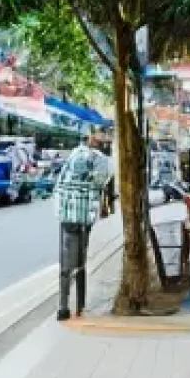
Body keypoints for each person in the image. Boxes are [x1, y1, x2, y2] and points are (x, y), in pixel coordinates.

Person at [54, 130, 110, 321]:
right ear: (94, 137)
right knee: (82, 264)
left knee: (66, 265)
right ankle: (80, 306)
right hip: (85, 217)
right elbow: (102, 183)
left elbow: (59, 184)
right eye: (103, 134)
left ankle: (63, 307)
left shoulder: (73, 154)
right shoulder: (101, 159)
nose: (105, 138)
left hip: (66, 215)